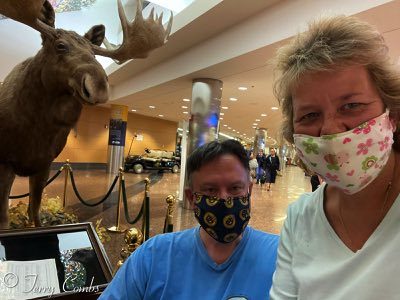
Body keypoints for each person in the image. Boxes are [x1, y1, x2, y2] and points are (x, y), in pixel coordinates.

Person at [269, 15, 400, 299]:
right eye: (310, 115)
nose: (329, 130)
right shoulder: (300, 218)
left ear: (393, 113)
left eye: (352, 105)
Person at [100, 139, 279, 300]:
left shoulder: (280, 257)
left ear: (250, 191)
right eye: (210, 190)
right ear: (192, 198)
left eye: (234, 188)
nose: (224, 199)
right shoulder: (153, 257)